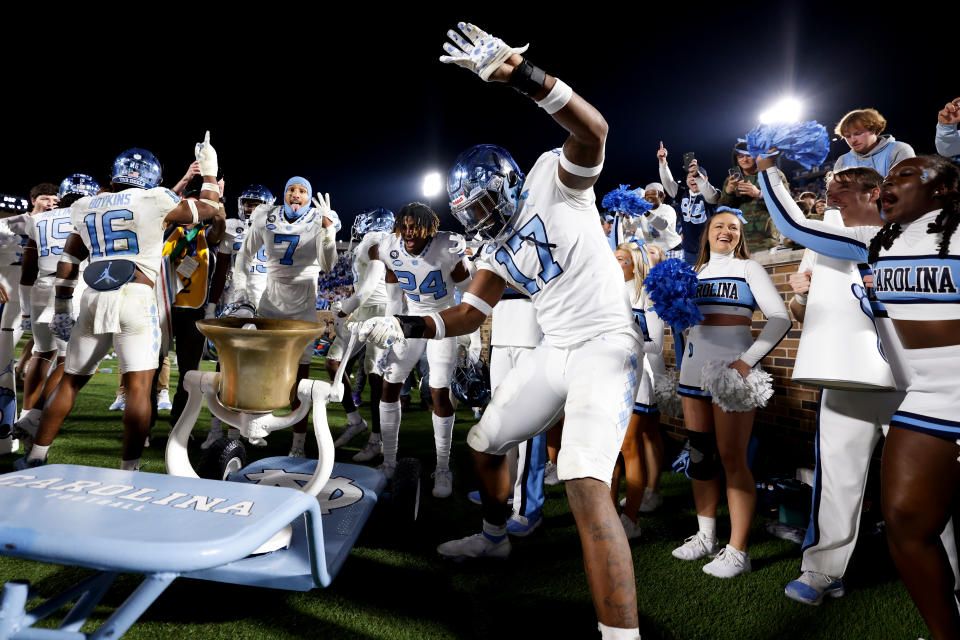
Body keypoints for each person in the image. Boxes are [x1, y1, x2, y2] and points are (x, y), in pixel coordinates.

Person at [359, 23, 642, 638]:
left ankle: (622, 634)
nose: (484, 217)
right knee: (484, 446)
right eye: (474, 213)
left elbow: (594, 130)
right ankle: (494, 539)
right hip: (556, 348)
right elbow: (465, 314)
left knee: (585, 483)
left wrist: (524, 78)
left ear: (507, 182)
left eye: (487, 204)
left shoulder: (553, 181)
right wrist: (398, 323)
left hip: (606, 342)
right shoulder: (489, 246)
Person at [758, 152, 960, 639]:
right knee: (908, 521)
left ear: (945, 191)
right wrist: (766, 169)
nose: (892, 182)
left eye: (905, 174)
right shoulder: (874, 242)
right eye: (889, 176)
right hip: (924, 398)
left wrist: (949, 134)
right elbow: (795, 224)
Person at [15, 135, 222, 470]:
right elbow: (208, 209)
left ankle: (37, 454)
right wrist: (209, 172)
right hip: (137, 298)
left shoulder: (86, 205)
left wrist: (64, 306)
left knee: (71, 379)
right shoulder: (156, 198)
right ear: (152, 177)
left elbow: (69, 259)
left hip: (94, 296)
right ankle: (130, 468)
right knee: (140, 386)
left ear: (114, 175)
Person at [671, 210, 790, 577]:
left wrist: (746, 362)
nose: (726, 231)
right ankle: (705, 536)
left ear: (740, 236)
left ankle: (738, 551)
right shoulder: (691, 274)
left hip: (732, 375)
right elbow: (683, 324)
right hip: (693, 373)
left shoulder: (748, 269)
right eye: (719, 226)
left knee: (732, 458)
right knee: (700, 456)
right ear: (707, 234)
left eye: (733, 228)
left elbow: (780, 318)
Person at [365, 202, 469, 498]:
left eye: (415, 227)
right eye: (405, 226)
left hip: (443, 320)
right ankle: (388, 462)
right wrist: (391, 329)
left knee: (438, 390)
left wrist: (466, 330)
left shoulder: (447, 247)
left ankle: (443, 466)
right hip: (411, 320)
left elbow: (471, 290)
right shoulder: (390, 247)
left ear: (429, 228)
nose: (408, 232)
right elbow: (395, 296)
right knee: (389, 385)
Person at [234, 176, 338, 457]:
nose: (296, 194)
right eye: (291, 189)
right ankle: (254, 428)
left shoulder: (320, 218)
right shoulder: (266, 215)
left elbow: (328, 265)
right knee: (260, 370)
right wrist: (241, 296)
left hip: (303, 306)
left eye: (303, 191)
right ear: (284, 193)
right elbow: (244, 255)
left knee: (300, 381)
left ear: (309, 196)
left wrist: (329, 233)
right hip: (270, 302)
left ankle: (298, 444)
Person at [14, 174, 100, 439]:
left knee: (41, 352)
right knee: (67, 358)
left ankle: (25, 413)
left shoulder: (38, 219)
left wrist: (26, 307)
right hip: (71, 288)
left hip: (41, 286)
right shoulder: (89, 216)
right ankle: (35, 418)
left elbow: (27, 270)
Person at [329, 207, 395, 461]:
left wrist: (345, 309)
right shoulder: (371, 242)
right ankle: (355, 421)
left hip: (377, 310)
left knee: (375, 373)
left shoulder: (375, 240)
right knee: (333, 363)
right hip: (363, 308)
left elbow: (370, 283)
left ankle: (377, 439)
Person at [612, 242, 665, 539]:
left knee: (631, 444)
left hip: (639, 373)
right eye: (613, 259)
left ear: (634, 264)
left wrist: (619, 344)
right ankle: (615, 511)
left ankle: (632, 516)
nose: (615, 263)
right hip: (610, 375)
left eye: (621, 259)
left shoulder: (646, 293)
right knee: (615, 448)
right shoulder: (604, 291)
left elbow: (655, 343)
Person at [719, 142, 790, 252]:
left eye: (748, 155)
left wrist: (759, 194)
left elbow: (786, 203)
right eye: (740, 156)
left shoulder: (773, 174)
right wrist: (728, 192)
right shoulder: (731, 180)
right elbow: (722, 211)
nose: (744, 160)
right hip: (739, 242)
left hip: (767, 241)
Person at [657, 142, 719, 265]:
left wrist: (697, 175)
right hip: (690, 251)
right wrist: (663, 163)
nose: (692, 178)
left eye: (695, 176)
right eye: (689, 176)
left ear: (705, 179)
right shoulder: (682, 193)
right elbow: (668, 182)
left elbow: (712, 196)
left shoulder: (710, 193)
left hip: (711, 249)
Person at [833, 108, 915, 176]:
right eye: (848, 136)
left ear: (873, 130)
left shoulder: (899, 150)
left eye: (858, 134)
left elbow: (906, 189)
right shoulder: (842, 161)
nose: (853, 140)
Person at [637, 182, 681, 254]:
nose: (650, 198)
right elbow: (630, 226)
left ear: (662, 196)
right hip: (653, 252)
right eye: (647, 195)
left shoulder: (668, 209)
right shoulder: (642, 211)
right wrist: (627, 214)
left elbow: (662, 225)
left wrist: (646, 212)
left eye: (653, 195)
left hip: (671, 250)